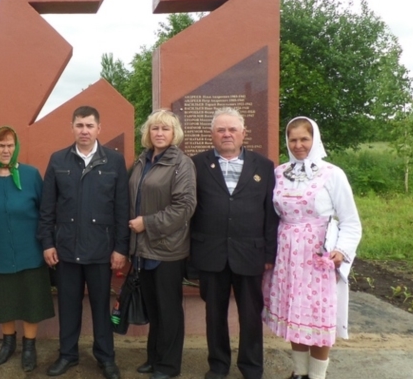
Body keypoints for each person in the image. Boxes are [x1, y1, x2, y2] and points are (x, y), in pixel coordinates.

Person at [262, 117, 362, 379]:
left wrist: (341, 250)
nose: (298, 145)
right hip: (287, 253)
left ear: (314, 139)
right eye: (293, 139)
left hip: (318, 254)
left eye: (304, 139)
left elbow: (350, 221)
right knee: (296, 312)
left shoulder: (332, 174)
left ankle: (316, 376)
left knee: (317, 315)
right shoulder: (279, 173)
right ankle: (299, 372)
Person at [38, 106, 129, 379]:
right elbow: (47, 209)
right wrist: (47, 243)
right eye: (79, 125)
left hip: (101, 250)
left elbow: (122, 209)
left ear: (99, 129)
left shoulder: (114, 161)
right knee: (68, 306)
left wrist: (121, 248)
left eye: (89, 125)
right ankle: (67, 354)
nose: (85, 131)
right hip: (65, 249)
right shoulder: (58, 160)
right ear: (72, 127)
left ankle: (106, 357)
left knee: (101, 307)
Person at [189, 107, 279, 379]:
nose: (226, 134)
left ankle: (251, 367)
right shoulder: (195, 164)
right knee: (214, 315)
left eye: (232, 130)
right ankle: (218, 366)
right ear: (212, 135)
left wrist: (269, 253)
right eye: (221, 130)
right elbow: (190, 211)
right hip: (211, 253)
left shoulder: (263, 166)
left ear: (243, 133)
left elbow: (271, 213)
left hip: (250, 254)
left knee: (251, 316)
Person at [0, 126, 55, 372]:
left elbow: (46, 212)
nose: (5, 150)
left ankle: (29, 347)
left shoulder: (32, 175)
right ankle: (8, 343)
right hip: (0, 249)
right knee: (5, 300)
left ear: (16, 147)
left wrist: (48, 243)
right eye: (1, 145)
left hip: (30, 249)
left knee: (31, 300)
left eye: (10, 145)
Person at [127, 110, 197, 379]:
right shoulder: (142, 161)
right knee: (153, 307)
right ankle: (154, 357)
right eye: (155, 128)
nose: (159, 133)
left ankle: (168, 366)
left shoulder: (181, 163)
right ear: (148, 132)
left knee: (168, 310)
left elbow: (184, 207)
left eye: (165, 129)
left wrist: (148, 223)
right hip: (142, 248)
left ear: (174, 133)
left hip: (168, 249)